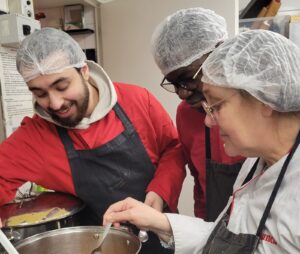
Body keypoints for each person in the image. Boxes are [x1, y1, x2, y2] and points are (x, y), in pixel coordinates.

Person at [103, 29, 300, 253]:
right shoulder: (255, 164)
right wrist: (159, 222)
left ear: (266, 97)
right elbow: (230, 238)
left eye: (216, 105)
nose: (207, 121)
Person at [0, 27, 186, 254]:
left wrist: (160, 192)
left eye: (62, 86)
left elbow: (173, 149)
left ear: (84, 71)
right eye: (40, 93)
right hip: (97, 246)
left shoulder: (138, 101)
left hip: (162, 232)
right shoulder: (35, 137)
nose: (55, 103)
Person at [151, 7, 244, 220]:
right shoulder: (186, 114)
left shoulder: (262, 103)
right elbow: (202, 188)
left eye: (188, 78)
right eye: (174, 84)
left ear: (220, 53)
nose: (182, 93)